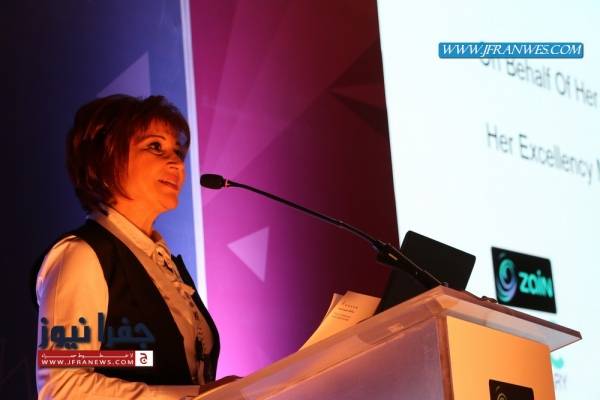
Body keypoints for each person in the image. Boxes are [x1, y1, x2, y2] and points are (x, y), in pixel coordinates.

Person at [35, 94, 227, 399]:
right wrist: (193, 396)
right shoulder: (82, 255)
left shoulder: (163, 263)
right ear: (107, 158)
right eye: (155, 146)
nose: (176, 162)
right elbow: (64, 388)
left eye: (178, 152)